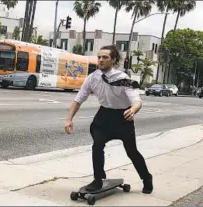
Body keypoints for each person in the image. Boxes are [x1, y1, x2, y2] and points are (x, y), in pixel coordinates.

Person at [64, 45, 153, 194]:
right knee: (97, 146)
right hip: (104, 116)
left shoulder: (123, 78)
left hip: (123, 117)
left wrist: (133, 109)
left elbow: (137, 100)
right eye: (99, 57)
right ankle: (98, 179)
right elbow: (78, 99)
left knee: (132, 152)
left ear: (113, 60)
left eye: (105, 57)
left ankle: (146, 178)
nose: (101, 60)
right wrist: (69, 119)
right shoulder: (92, 78)